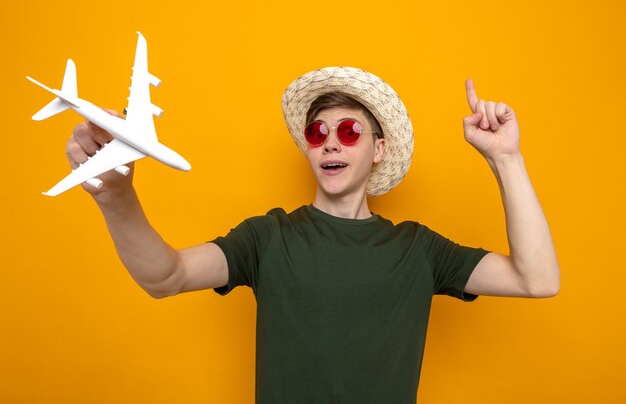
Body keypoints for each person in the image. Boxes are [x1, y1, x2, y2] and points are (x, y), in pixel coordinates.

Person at [65, 67, 560, 404]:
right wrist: (115, 195)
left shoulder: (419, 248)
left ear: (378, 149)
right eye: (317, 133)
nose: (328, 143)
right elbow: (165, 276)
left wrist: (505, 158)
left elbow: (537, 279)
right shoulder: (268, 236)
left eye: (348, 132)